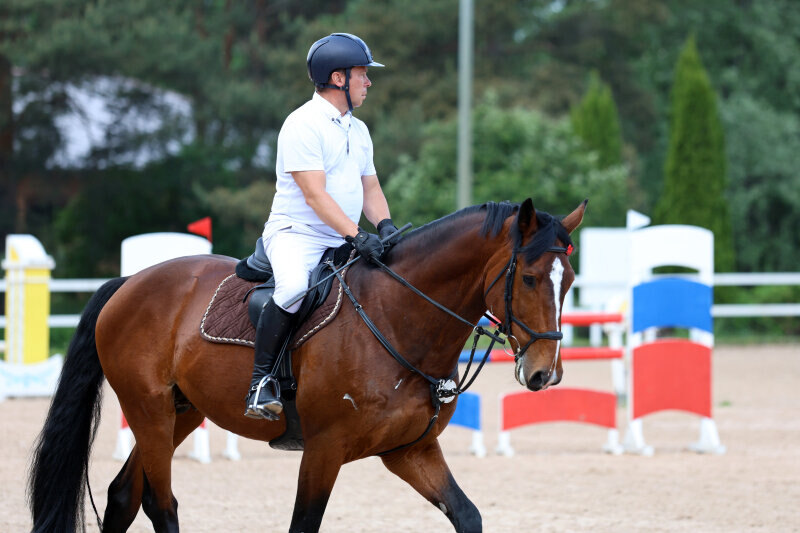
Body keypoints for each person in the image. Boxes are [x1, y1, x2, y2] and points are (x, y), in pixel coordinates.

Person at [245, 33, 399, 420]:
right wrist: (356, 234)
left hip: (343, 236)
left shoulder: (357, 129)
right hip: (296, 235)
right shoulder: (302, 125)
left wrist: (385, 226)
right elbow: (315, 196)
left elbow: (370, 187)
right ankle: (261, 382)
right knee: (296, 287)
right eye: (363, 74)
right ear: (338, 78)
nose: (369, 82)